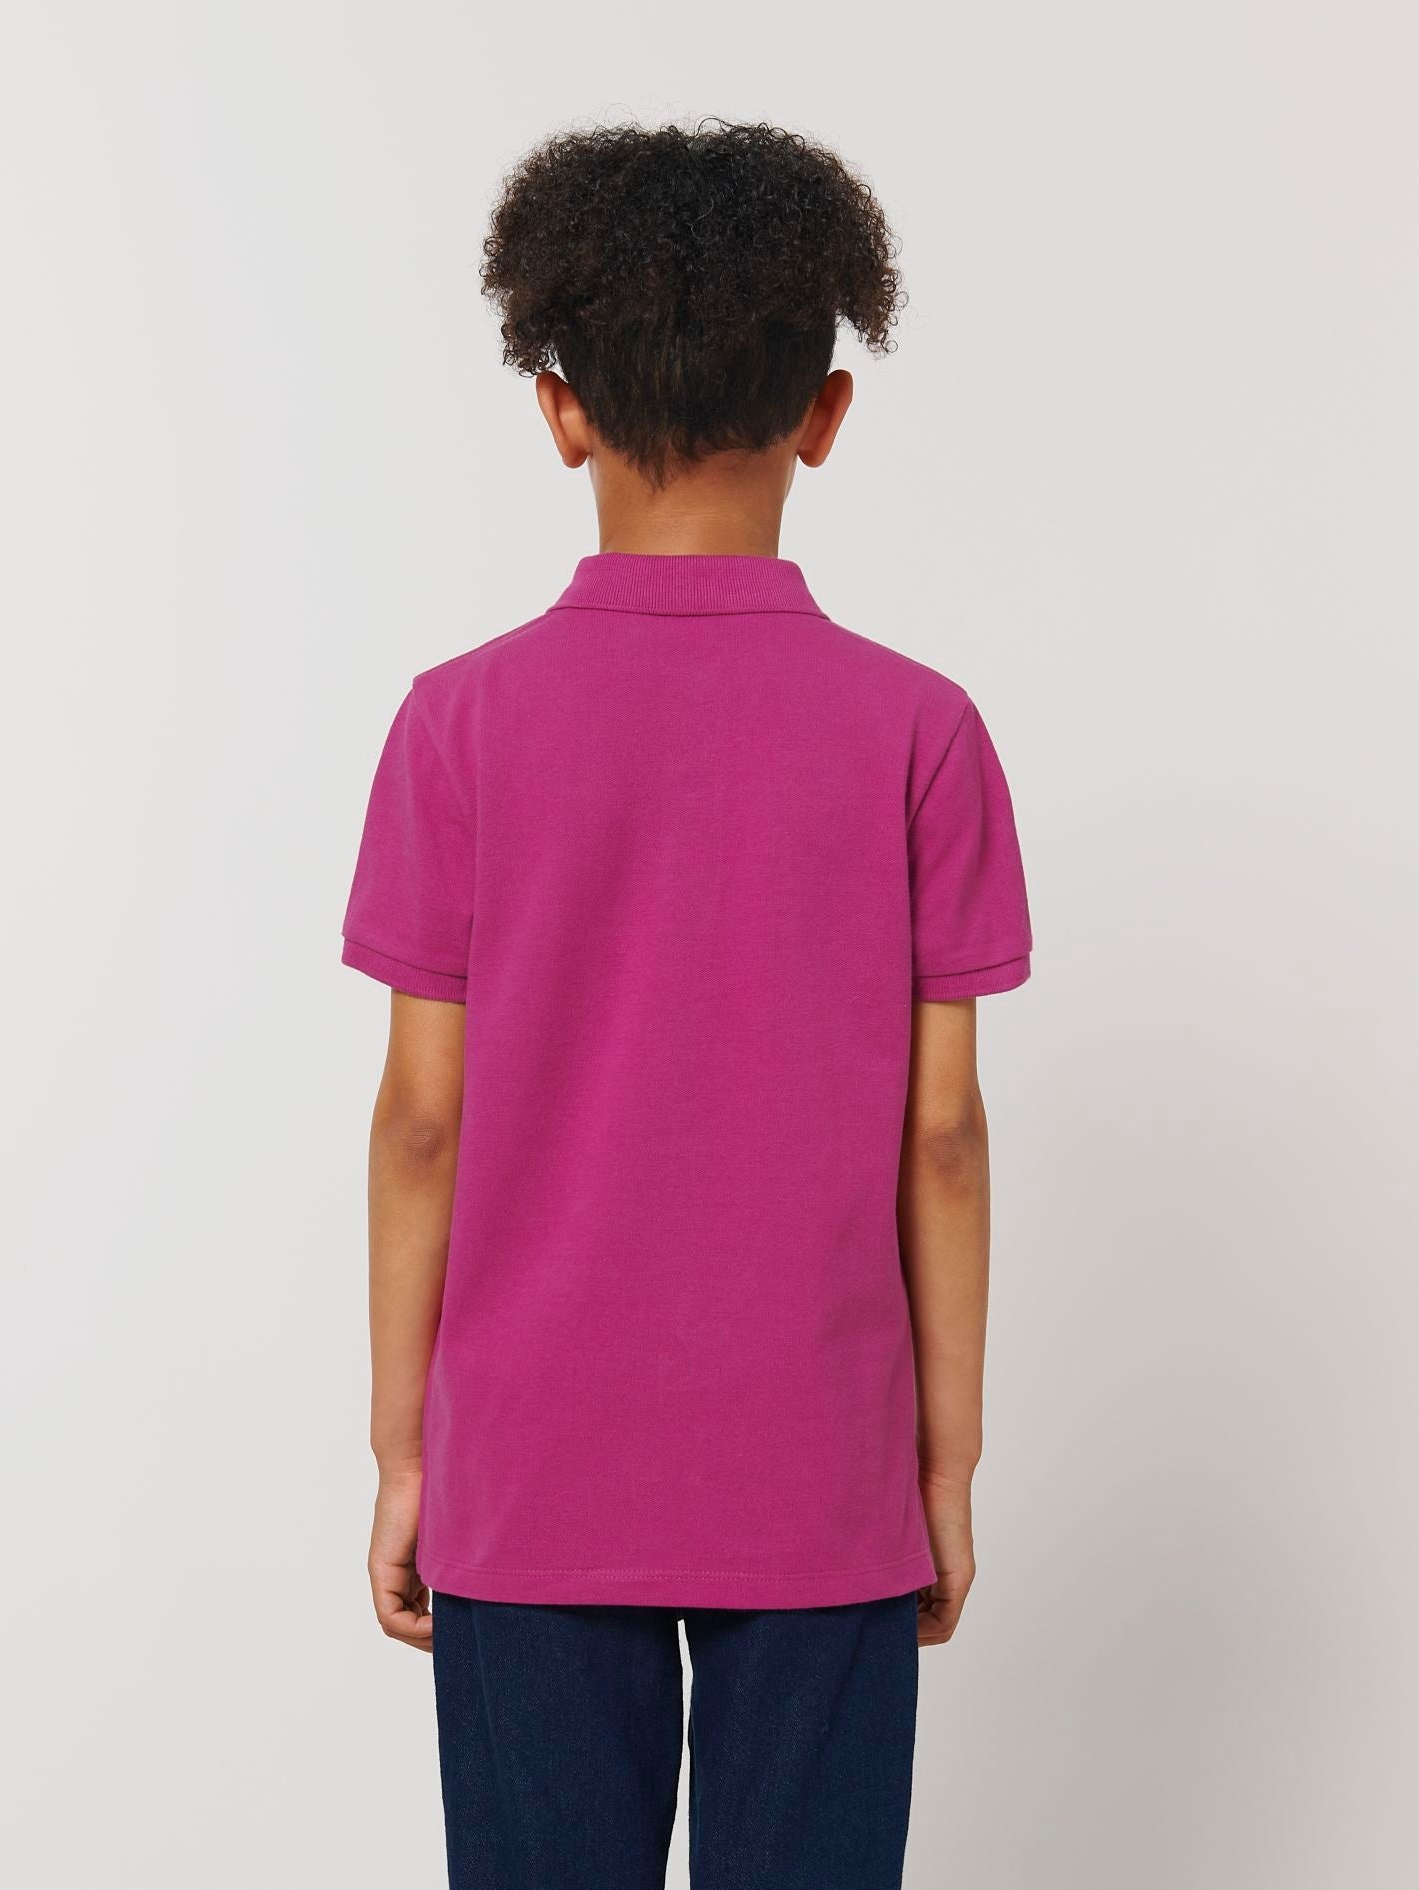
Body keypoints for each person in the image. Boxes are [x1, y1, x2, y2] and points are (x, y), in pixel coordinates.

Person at [341, 121, 1032, 1890]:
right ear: (826, 411)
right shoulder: (920, 731)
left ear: (559, 408)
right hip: (820, 1468)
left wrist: (408, 1452)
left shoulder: (457, 725)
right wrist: (943, 1465)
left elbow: (422, 1118)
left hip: (528, 1470)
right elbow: (943, 1135)